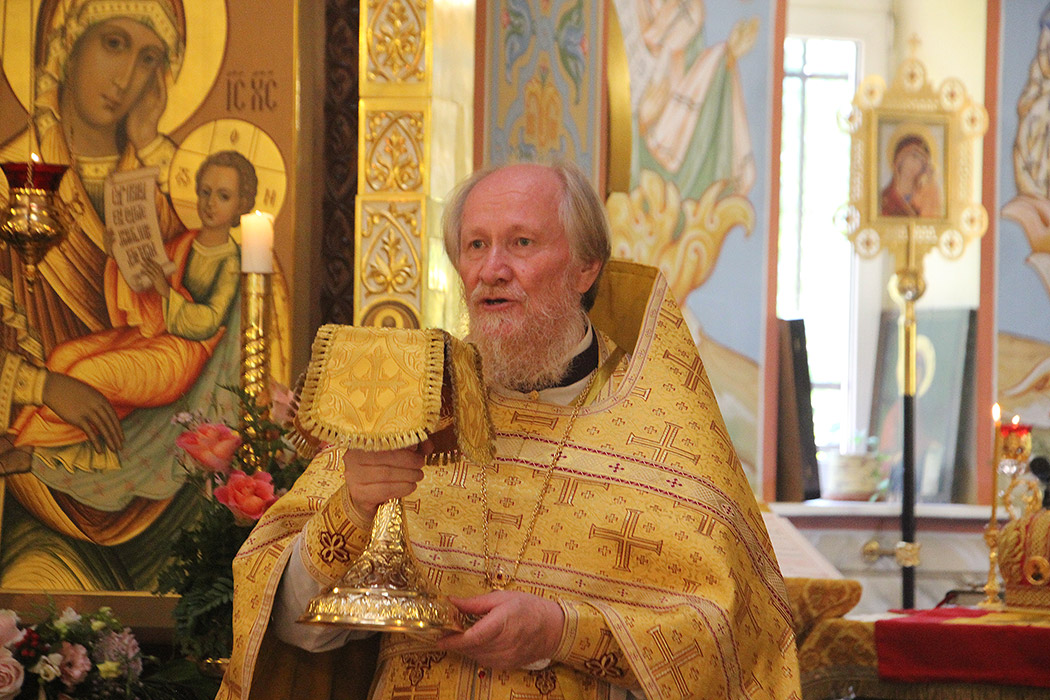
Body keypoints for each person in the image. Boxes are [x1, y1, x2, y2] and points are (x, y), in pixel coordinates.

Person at [220, 163, 800, 699]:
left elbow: (730, 640)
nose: (491, 270)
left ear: (586, 268)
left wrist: (563, 632)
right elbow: (290, 627)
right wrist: (351, 509)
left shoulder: (660, 424)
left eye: (521, 243)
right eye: (476, 245)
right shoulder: (409, 401)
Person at [11, 150, 248, 459]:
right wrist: (120, 255)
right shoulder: (185, 242)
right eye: (205, 192)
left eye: (223, 196)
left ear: (242, 205)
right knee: (62, 356)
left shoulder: (230, 262)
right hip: (153, 333)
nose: (210, 203)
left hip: (183, 355)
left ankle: (29, 448)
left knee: (88, 373)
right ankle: (16, 436)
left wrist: (167, 293)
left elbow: (207, 321)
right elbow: (145, 287)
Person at [880, 133, 943, 218]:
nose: (917, 164)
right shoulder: (884, 200)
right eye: (914, 157)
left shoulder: (925, 197)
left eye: (922, 161)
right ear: (900, 159)